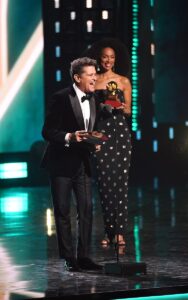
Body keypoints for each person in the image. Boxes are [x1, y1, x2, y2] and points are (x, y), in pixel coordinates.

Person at [41, 57, 102, 272]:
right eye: (90, 74)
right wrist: (69, 136)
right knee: (63, 211)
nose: (95, 77)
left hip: (82, 163)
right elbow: (47, 131)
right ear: (77, 77)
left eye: (95, 73)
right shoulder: (60, 98)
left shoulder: (94, 99)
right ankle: (69, 257)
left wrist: (94, 142)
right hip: (60, 163)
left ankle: (84, 256)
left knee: (86, 209)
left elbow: (88, 129)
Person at [84, 38, 132, 247]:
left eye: (112, 57)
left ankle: (119, 231)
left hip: (120, 133)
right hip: (102, 133)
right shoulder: (94, 82)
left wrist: (120, 107)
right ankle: (108, 230)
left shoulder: (123, 81)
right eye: (105, 57)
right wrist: (102, 107)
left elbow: (129, 110)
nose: (108, 60)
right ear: (100, 59)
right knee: (104, 183)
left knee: (120, 183)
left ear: (115, 59)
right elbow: (89, 112)